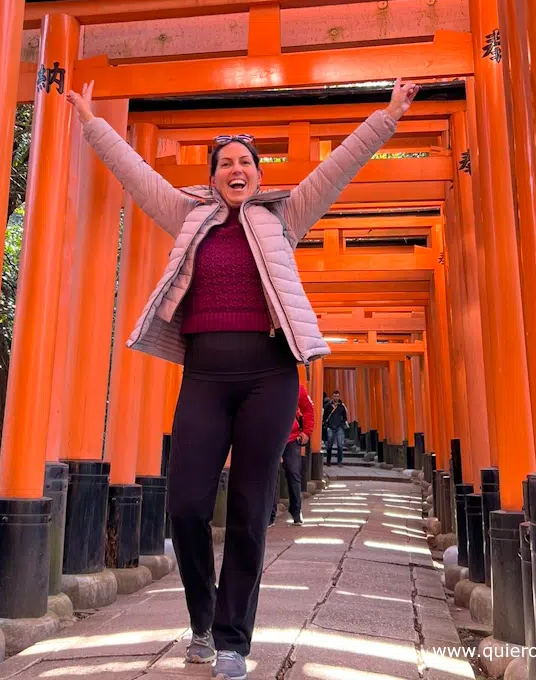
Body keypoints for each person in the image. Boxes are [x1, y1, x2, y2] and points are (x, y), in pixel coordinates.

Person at [67, 78, 419, 680]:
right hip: (205, 374)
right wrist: (91, 121)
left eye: (245, 163)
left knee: (252, 509)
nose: (236, 169)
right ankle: (202, 620)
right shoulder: (189, 215)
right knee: (185, 504)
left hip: (270, 374)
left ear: (258, 176)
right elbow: (136, 174)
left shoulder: (285, 216)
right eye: (225, 163)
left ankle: (233, 640)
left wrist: (386, 119)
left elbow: (336, 168)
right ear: (211, 178)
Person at [270, 382, 315, 527]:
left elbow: (308, 408)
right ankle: (270, 515)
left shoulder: (297, 387)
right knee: (270, 474)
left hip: (292, 436)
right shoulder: (267, 385)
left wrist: (307, 431)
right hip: (271, 437)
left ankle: (296, 511)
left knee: (293, 473)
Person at [324, 390, 349, 467]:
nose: (336, 398)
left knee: (340, 445)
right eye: (335, 396)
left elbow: (345, 417)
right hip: (331, 427)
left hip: (339, 427)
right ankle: (328, 461)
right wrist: (327, 425)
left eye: (337, 396)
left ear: (339, 397)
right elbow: (325, 417)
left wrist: (341, 423)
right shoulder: (328, 406)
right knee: (329, 445)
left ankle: (339, 461)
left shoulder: (342, 406)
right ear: (332, 396)